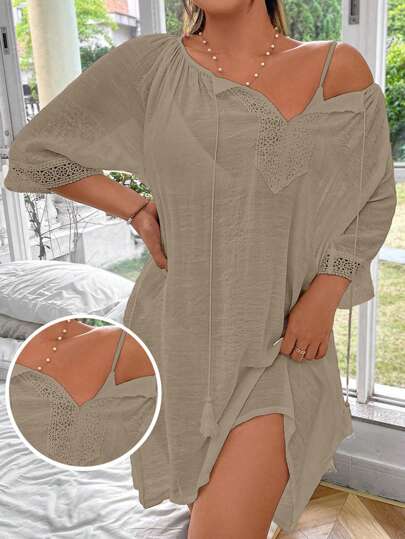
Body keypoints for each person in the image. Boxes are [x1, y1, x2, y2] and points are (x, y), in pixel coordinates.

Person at [4, 0, 397, 536]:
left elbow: (372, 195)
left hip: (280, 344)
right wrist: (136, 208)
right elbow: (36, 153)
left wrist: (327, 290)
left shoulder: (337, 66)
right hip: (176, 339)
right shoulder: (150, 66)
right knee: (206, 501)